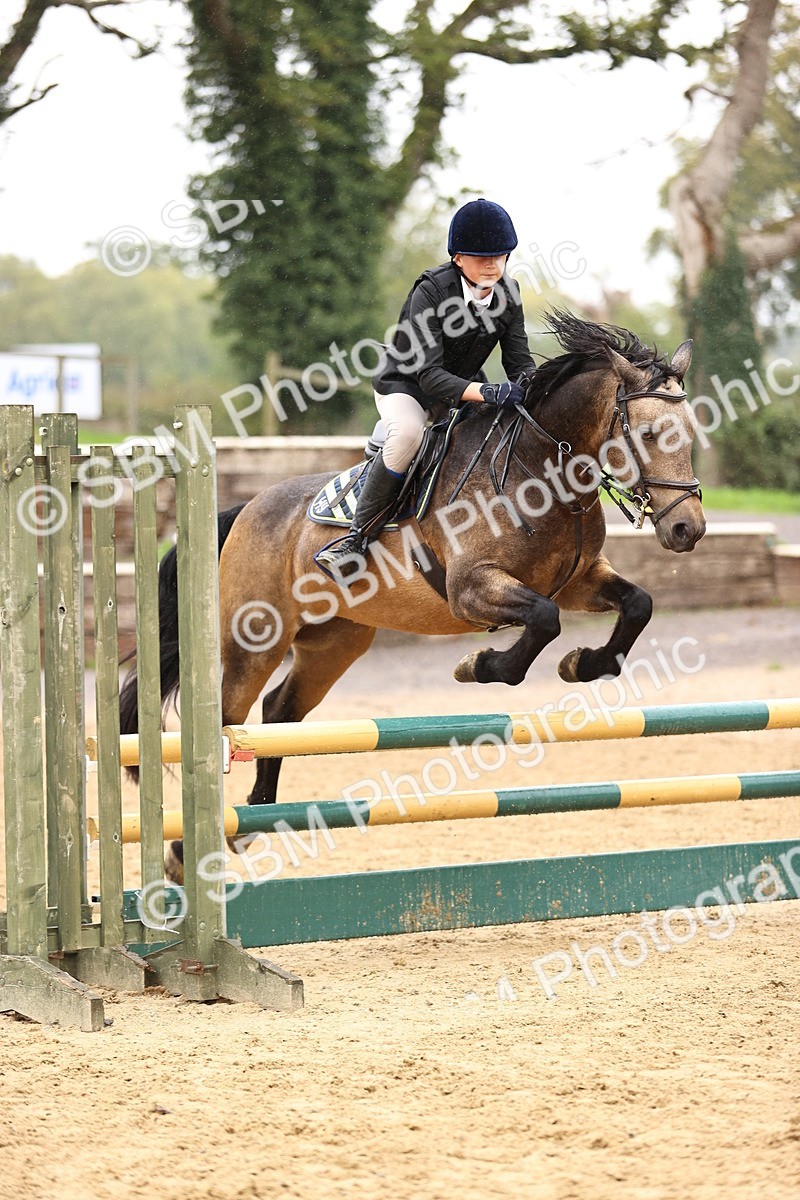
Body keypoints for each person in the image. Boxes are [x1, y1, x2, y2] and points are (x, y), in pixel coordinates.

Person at [316, 198, 536, 576]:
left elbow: (519, 363)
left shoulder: (508, 295)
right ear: (457, 258)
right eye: (480, 257)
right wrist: (487, 393)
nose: (492, 264)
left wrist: (536, 390)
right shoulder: (431, 292)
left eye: (499, 256)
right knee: (407, 436)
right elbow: (430, 376)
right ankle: (354, 540)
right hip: (407, 384)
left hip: (461, 387)